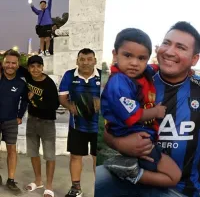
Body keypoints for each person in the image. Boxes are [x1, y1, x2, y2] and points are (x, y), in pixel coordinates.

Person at [95, 21, 200, 197]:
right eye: (167, 43)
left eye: (180, 47)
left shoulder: (197, 88)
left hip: (182, 190)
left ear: (194, 59)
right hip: (129, 174)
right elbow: (108, 129)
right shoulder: (135, 81)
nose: (169, 51)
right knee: (93, 182)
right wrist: (120, 144)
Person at [101, 28, 181, 186]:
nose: (134, 63)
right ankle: (131, 173)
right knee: (174, 176)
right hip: (133, 138)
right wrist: (155, 111)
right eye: (128, 55)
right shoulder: (119, 83)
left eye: (141, 58)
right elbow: (133, 115)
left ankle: (129, 165)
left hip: (139, 136)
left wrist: (188, 70)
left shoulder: (142, 73)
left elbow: (157, 67)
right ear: (115, 54)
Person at [59, 48, 101, 197]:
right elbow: (62, 97)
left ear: (95, 61)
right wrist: (70, 106)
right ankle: (76, 189)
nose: (85, 62)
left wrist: (101, 103)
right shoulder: (69, 75)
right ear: (77, 61)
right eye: (82, 59)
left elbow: (112, 98)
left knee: (98, 160)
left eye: (89, 59)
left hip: (99, 127)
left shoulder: (103, 76)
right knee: (76, 157)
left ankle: (101, 190)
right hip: (77, 125)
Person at [17, 55, 59, 197]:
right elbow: (14, 65)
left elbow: (54, 105)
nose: (35, 69)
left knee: (49, 155)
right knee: (33, 153)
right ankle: (38, 180)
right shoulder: (28, 76)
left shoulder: (49, 84)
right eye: (32, 66)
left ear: (42, 67)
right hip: (32, 120)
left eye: (38, 66)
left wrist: (33, 98)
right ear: (28, 68)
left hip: (47, 122)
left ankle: (49, 186)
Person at [0, 49, 28, 192]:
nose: (10, 65)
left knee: (12, 150)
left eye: (13, 63)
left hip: (11, 120)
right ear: (3, 63)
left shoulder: (21, 83)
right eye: (7, 62)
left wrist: (20, 115)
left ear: (18, 65)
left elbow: (24, 101)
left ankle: (11, 180)